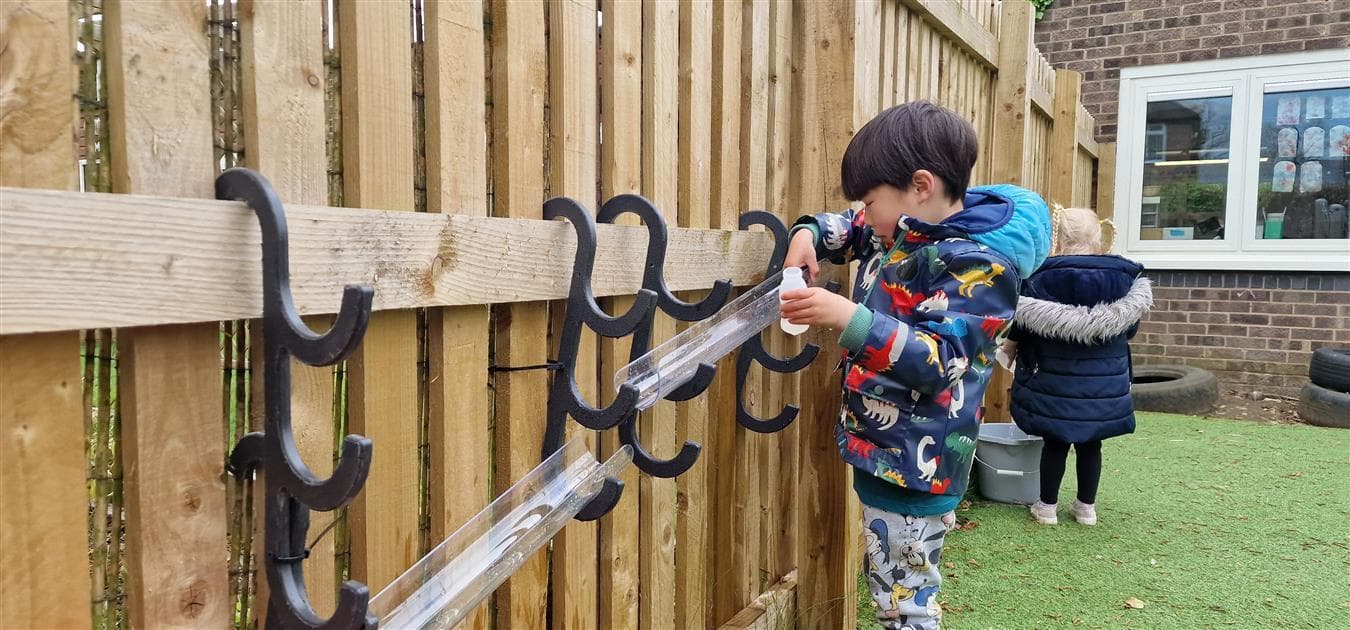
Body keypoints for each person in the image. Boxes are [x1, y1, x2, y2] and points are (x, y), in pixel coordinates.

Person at [780, 101, 1051, 629]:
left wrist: (848, 317)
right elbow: (852, 227)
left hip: (916, 467)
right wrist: (807, 233)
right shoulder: (905, 227)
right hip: (888, 454)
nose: (865, 212)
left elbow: (941, 360)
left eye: (870, 198)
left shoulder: (980, 266)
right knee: (892, 581)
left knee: (906, 603)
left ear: (920, 185)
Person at [1000, 207, 1153, 526]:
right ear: (1098, 238)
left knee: (1055, 441)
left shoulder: (1040, 277)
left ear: (1058, 238)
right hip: (1101, 385)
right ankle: (1086, 508)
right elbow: (1129, 330)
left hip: (1053, 382)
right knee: (1090, 443)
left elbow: (1021, 326)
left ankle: (1046, 508)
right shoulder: (1125, 279)